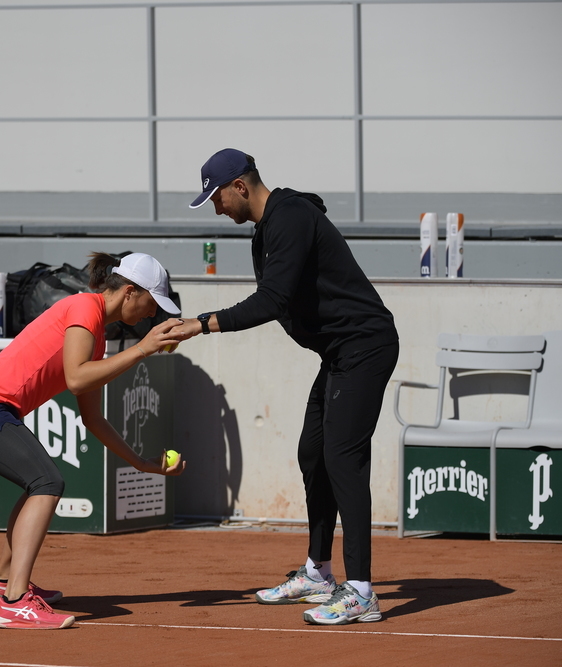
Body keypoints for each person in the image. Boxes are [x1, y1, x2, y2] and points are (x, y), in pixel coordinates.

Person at [177, 149, 399, 625]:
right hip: (339, 353)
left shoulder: (290, 217)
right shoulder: (269, 227)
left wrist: (202, 323)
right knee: (313, 454)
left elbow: (272, 300)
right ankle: (319, 573)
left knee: (343, 459)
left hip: (364, 346)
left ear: (240, 186)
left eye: (216, 198)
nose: (216, 209)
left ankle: (361, 592)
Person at [0, 252, 187, 630]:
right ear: (130, 292)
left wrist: (140, 462)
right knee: (47, 482)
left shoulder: (97, 337)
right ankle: (14, 602)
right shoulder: (85, 307)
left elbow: (93, 419)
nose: (152, 313)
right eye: (152, 302)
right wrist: (143, 348)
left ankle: (2, 582)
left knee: (38, 483)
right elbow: (76, 378)